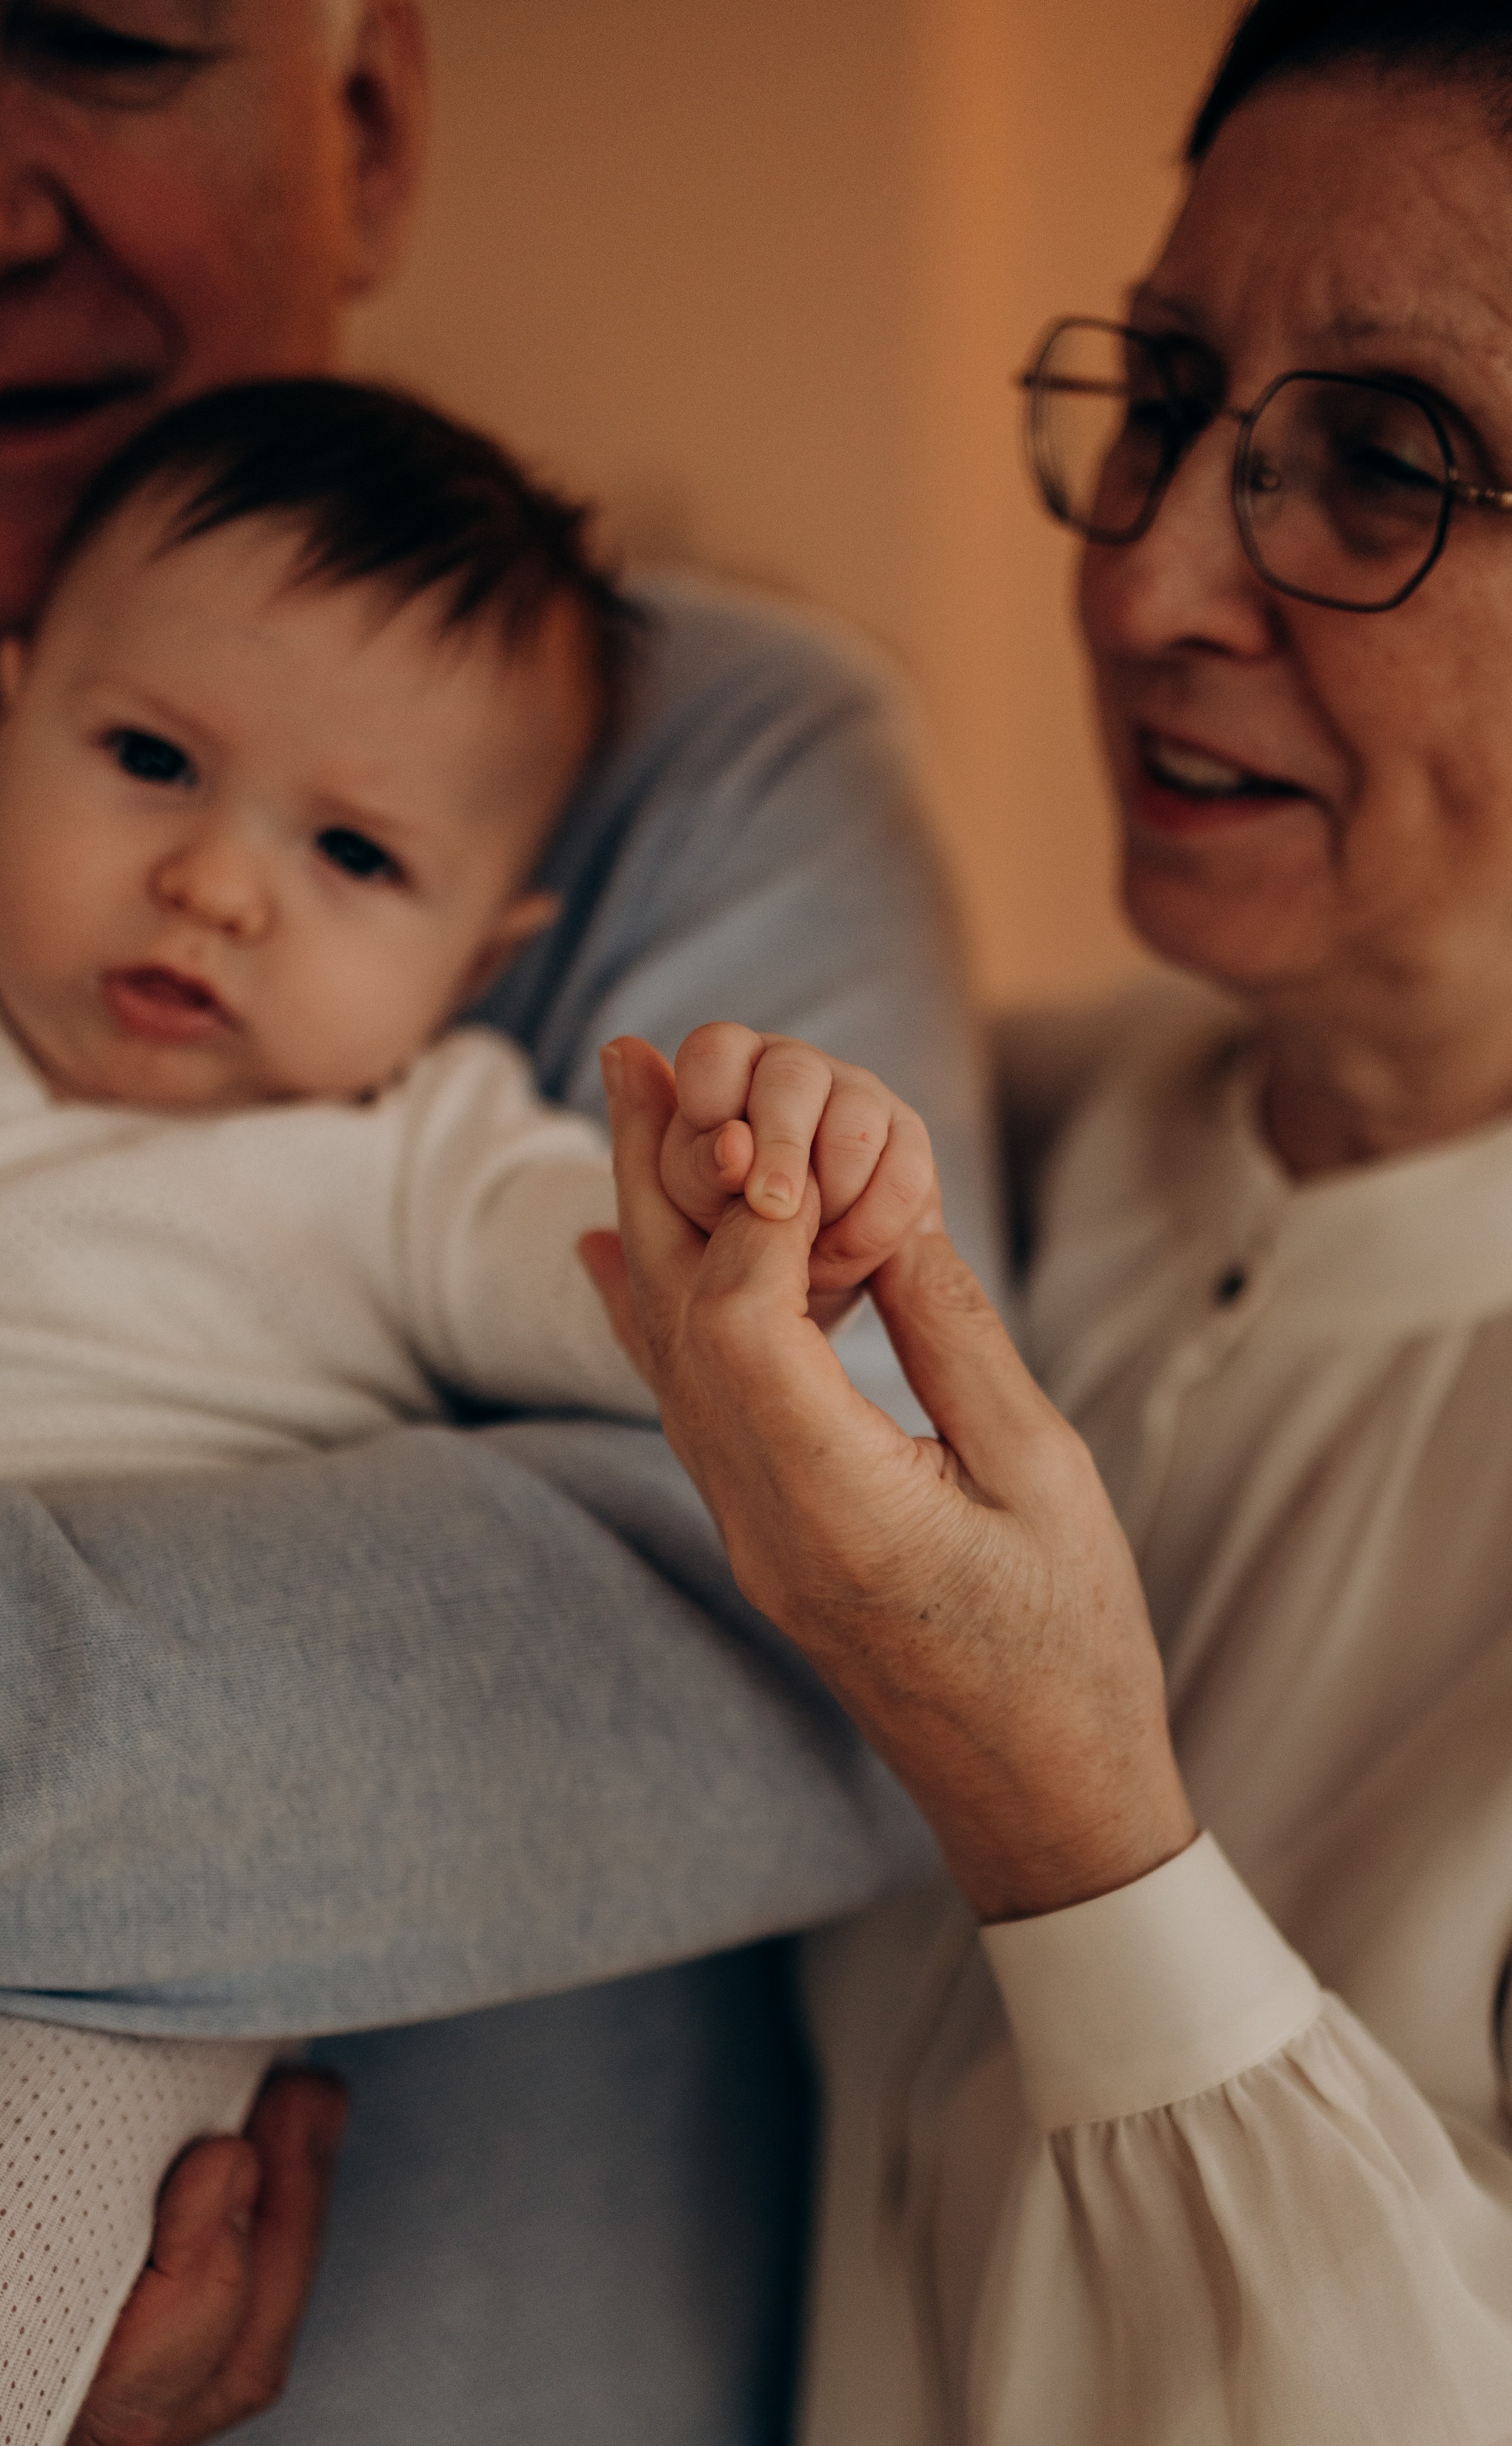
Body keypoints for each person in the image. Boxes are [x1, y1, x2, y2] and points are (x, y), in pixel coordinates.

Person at [0, 6, 998, 2443]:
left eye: (103, 35)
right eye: (147, 760)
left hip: (107, 2038)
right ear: (20, 701)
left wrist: (747, 1245)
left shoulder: (422, 1126)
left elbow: (834, 1575)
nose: (211, 882)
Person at [593, 2, 1512, 2439]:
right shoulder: (979, 1152)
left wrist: (1066, 1823)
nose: (1148, 591)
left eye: (1383, 466)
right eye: (1170, 396)